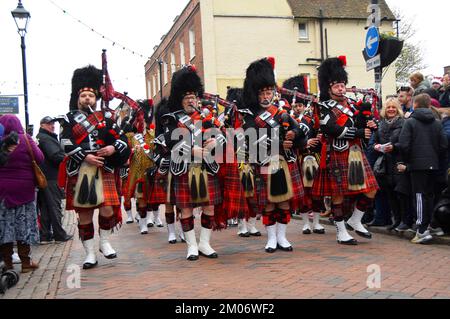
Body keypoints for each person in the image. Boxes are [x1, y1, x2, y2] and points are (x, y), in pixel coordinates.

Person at [59, 66, 131, 269]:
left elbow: (123, 140)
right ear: (78, 97)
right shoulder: (69, 118)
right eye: (84, 95)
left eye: (91, 95)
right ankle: (89, 253)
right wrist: (86, 156)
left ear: (96, 97)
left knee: (107, 209)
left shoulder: (107, 118)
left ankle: (105, 242)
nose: (87, 98)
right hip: (80, 170)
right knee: (85, 214)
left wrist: (111, 147)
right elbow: (64, 142)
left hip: (104, 169)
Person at [241, 57, 307, 253]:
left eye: (269, 91)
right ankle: (271, 239)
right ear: (256, 94)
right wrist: (278, 141)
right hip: (264, 161)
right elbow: (250, 140)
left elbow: (301, 135)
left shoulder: (283, 114)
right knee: (269, 203)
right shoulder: (250, 116)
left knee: (284, 201)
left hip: (285, 162)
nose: (266, 95)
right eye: (262, 92)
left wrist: (293, 135)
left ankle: (282, 237)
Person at [312, 56, 379, 245]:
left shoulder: (351, 105)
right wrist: (358, 131)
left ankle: (355, 219)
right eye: (336, 86)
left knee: (371, 189)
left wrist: (370, 125)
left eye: (342, 85)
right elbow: (330, 129)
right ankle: (341, 232)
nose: (341, 89)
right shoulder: (323, 106)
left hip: (355, 152)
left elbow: (361, 124)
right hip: (336, 152)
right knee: (338, 194)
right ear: (328, 88)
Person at [164, 65, 224, 260]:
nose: (191, 101)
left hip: (206, 166)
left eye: (194, 97)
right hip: (184, 167)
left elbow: (222, 135)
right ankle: (191, 245)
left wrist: (217, 140)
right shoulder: (172, 119)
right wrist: (191, 150)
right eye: (187, 97)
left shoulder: (207, 117)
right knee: (186, 208)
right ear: (180, 100)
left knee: (209, 206)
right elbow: (170, 142)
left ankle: (205, 243)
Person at [398, 93, 448, 244]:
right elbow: (443, 145)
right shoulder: (437, 123)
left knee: (419, 196)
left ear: (415, 104)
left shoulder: (410, 122)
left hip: (416, 165)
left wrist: (407, 162)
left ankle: (421, 229)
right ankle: (428, 225)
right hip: (433, 164)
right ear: (428, 105)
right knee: (429, 195)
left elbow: (404, 144)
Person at [281, 76, 325, 235]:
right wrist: (304, 143)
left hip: (314, 157)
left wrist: (318, 140)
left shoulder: (313, 120)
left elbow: (321, 138)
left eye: (301, 105)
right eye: (297, 105)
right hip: (300, 158)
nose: (299, 108)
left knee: (316, 192)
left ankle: (318, 223)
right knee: (304, 193)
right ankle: (306, 223)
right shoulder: (288, 121)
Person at [0, 115, 43, 273]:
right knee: (23, 225)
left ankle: (8, 264)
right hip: (25, 190)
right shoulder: (25, 139)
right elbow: (40, 158)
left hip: (2, 191)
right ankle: (25, 263)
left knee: (4, 227)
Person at [371, 98, 406, 230]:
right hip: (384, 163)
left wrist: (394, 147)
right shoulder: (380, 124)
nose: (391, 109)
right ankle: (396, 220)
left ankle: (404, 220)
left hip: (398, 161)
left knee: (401, 192)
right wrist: (376, 146)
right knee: (390, 192)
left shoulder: (404, 123)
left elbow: (406, 142)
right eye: (388, 107)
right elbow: (374, 140)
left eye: (394, 107)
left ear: (398, 109)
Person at [36, 116, 72, 243]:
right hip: (51, 177)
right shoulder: (46, 138)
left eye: (53, 123)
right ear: (42, 125)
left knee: (46, 207)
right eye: (49, 123)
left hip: (45, 177)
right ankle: (59, 235)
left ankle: (45, 235)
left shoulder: (42, 137)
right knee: (55, 206)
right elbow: (55, 156)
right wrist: (67, 157)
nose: (52, 126)